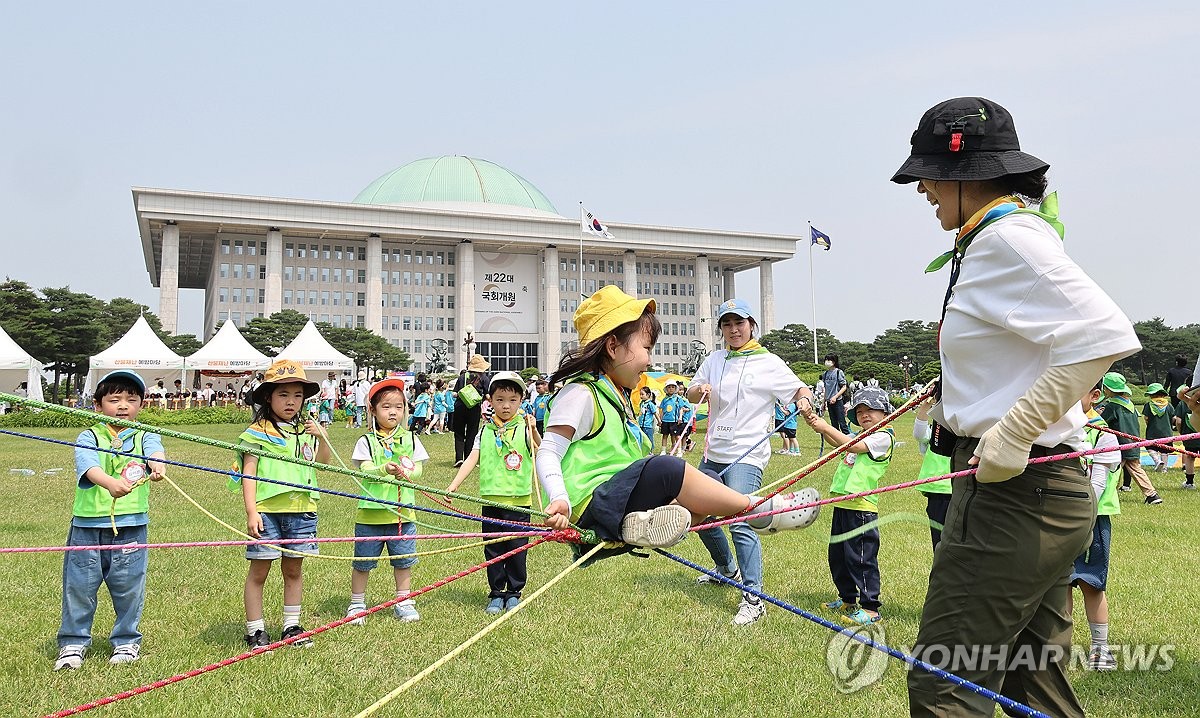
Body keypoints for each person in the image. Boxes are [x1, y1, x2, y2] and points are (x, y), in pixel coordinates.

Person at [892, 96, 1140, 717]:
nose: (921, 187)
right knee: (1033, 683)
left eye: (928, 173)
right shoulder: (990, 239)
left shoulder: (1007, 239)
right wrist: (959, 394)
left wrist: (1012, 431)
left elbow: (1104, 334)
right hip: (1036, 494)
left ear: (968, 175)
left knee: (946, 684)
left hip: (1015, 494)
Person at [536, 286, 811, 565]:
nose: (650, 360)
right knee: (665, 467)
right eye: (646, 348)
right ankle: (759, 509)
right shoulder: (580, 394)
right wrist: (560, 498)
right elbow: (548, 452)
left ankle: (644, 525)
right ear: (612, 347)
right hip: (595, 506)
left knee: (710, 483)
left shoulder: (616, 395)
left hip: (620, 502)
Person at [688, 298, 815, 626]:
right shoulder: (714, 360)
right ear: (720, 329)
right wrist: (698, 389)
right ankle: (725, 569)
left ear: (752, 325)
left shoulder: (769, 362)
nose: (734, 330)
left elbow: (800, 388)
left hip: (747, 454)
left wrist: (803, 400)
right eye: (727, 325)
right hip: (713, 453)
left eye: (739, 323)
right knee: (697, 515)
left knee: (740, 519)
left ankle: (754, 598)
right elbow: (690, 392)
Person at [54, 371, 166, 671]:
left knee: (129, 586)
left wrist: (157, 464)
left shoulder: (145, 434)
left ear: (141, 404)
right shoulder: (89, 435)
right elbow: (88, 466)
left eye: (131, 400)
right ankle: (73, 643)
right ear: (97, 405)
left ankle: (127, 640)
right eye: (114, 399)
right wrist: (108, 482)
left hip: (130, 525)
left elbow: (156, 451)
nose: (123, 406)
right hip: (87, 527)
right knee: (80, 587)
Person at [230, 360, 330, 649]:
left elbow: (322, 464)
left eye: (297, 395)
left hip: (302, 510)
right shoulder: (257, 432)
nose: (291, 402)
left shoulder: (304, 431)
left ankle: (291, 626)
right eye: (283, 395)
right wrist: (252, 512)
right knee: (260, 570)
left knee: (293, 570)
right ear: (268, 397)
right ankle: (255, 630)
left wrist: (323, 438)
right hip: (267, 512)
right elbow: (249, 473)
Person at [447, 372, 539, 613]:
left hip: (519, 502)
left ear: (521, 400)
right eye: (500, 399)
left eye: (512, 400)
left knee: (517, 549)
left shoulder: (525, 428)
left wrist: (534, 430)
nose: (506, 405)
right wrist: (455, 484)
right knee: (493, 548)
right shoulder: (485, 431)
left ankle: (514, 592)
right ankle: (497, 593)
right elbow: (471, 458)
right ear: (490, 400)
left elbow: (540, 452)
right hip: (490, 501)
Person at [802, 387, 894, 625]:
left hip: (862, 508)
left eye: (871, 409)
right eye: (860, 411)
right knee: (838, 556)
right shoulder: (862, 435)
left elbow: (852, 447)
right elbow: (840, 444)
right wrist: (816, 423)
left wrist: (825, 427)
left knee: (860, 558)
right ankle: (847, 598)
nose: (864, 414)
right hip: (843, 504)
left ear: (884, 412)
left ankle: (871, 608)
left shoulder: (883, 437)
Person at [345, 378, 425, 625]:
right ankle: (357, 603)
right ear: (372, 410)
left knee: (403, 561)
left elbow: (418, 467)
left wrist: (408, 473)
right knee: (363, 562)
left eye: (399, 407)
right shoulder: (366, 441)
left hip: (402, 515)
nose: (393, 412)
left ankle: (403, 601)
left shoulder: (410, 439)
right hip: (371, 515)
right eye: (386, 407)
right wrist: (383, 469)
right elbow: (363, 469)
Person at [1067, 382, 1123, 671]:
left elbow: (1098, 483)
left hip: (1092, 519)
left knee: (1091, 584)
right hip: (1059, 520)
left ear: (1095, 395)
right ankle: (1058, 649)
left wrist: (1082, 519)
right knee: (1058, 584)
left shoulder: (1103, 434)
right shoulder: (1058, 429)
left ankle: (1101, 651)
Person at [1101, 372, 1163, 504]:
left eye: (1105, 388)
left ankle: (1107, 495)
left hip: (1119, 445)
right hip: (1133, 443)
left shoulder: (1112, 406)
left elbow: (1101, 421)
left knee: (1113, 471)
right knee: (1136, 469)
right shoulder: (1130, 404)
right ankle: (1152, 495)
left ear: (1110, 390)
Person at [912, 395, 952, 550]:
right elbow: (919, 434)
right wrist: (926, 405)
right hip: (939, 491)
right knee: (941, 542)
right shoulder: (936, 430)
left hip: (964, 488)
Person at [452, 355, 490, 467]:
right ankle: (468, 458)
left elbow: (454, 393)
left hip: (459, 406)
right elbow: (487, 394)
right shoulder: (484, 378)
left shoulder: (462, 377)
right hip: (474, 407)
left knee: (459, 433)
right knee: (471, 433)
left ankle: (459, 458)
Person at [1142, 383, 1176, 472]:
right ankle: (1164, 468)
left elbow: (1146, 418)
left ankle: (1157, 461)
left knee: (1150, 447)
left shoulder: (1148, 405)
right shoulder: (1168, 405)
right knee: (1165, 450)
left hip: (1152, 432)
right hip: (1167, 432)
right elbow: (1174, 418)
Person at [1175, 384, 1199, 489]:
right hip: (1192, 435)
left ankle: (1189, 482)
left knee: (1190, 457)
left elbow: (1178, 421)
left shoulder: (1182, 404)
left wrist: (1181, 434)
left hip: (1190, 436)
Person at [820, 354, 850, 434]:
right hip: (829, 401)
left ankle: (848, 441)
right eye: (826, 360)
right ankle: (838, 442)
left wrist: (835, 397)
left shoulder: (838, 372)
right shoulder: (825, 374)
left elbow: (844, 387)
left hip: (838, 401)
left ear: (834, 361)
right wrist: (823, 402)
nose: (827, 362)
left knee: (842, 422)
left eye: (829, 360)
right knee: (834, 423)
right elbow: (826, 388)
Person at [656, 381, 684, 456]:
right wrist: (660, 420)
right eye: (669, 387)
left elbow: (681, 408)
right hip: (665, 421)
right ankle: (663, 450)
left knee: (677, 436)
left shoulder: (678, 399)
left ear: (675, 388)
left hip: (674, 421)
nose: (671, 389)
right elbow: (661, 410)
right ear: (666, 389)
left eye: (673, 387)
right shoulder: (664, 399)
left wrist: (680, 417)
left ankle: (679, 451)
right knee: (665, 435)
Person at [637, 387, 658, 452]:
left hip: (648, 426)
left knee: (649, 439)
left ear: (648, 395)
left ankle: (650, 451)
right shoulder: (642, 403)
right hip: (641, 425)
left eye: (642, 394)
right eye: (640, 394)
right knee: (642, 439)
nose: (641, 396)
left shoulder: (650, 404)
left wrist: (659, 421)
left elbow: (655, 413)